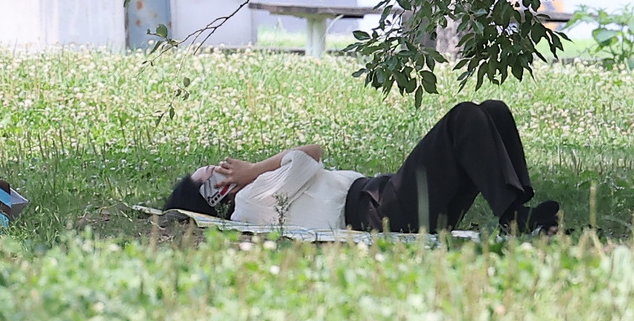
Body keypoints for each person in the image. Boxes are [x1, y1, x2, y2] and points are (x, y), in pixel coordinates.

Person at [162, 100, 560, 235]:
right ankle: (515, 219)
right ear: (215, 195)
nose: (221, 167)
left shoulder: (257, 190)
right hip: (379, 212)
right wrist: (253, 170)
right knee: (464, 118)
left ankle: (518, 213)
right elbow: (308, 156)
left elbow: (306, 159)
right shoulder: (250, 202)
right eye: (212, 173)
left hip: (386, 201)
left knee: (492, 112)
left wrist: (256, 171)